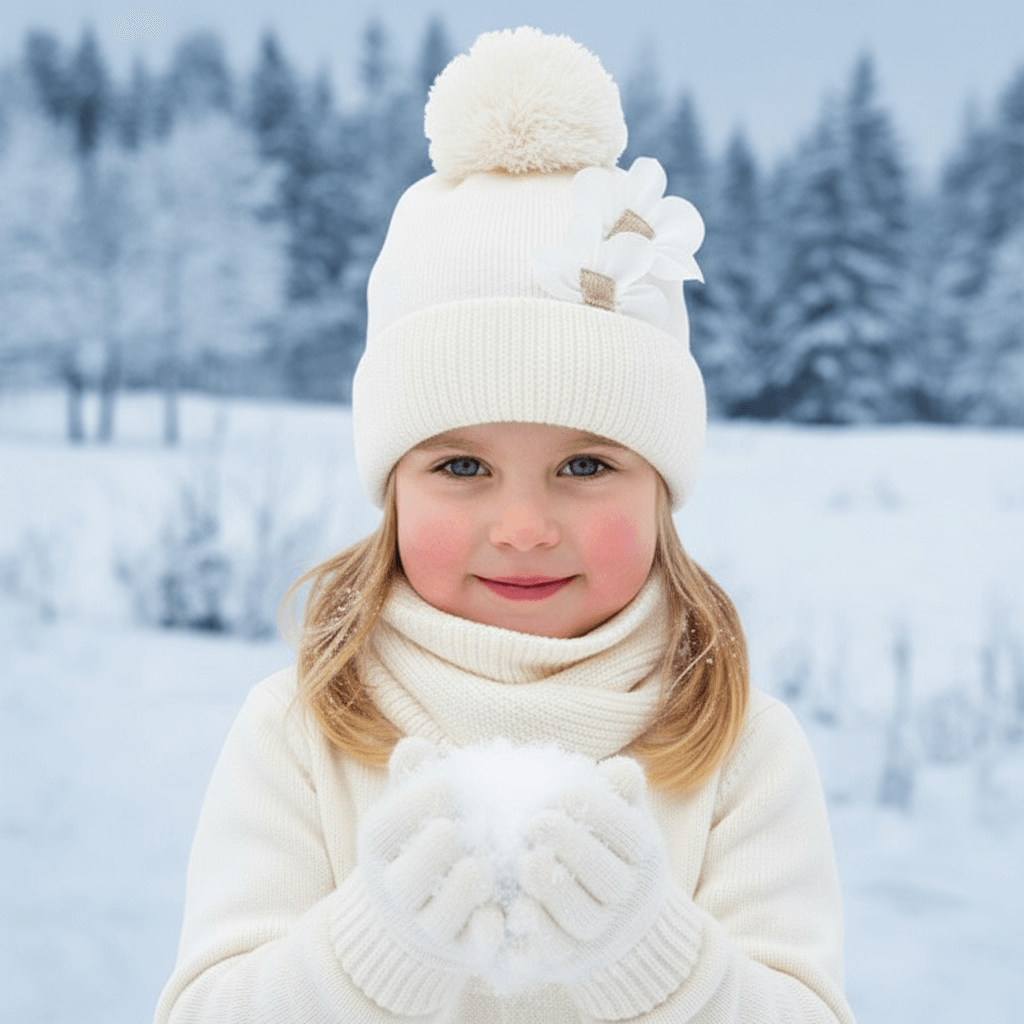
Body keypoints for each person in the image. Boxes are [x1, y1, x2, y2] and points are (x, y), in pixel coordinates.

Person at [154, 26, 856, 1024]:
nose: (522, 525)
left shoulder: (739, 751)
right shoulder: (302, 734)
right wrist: (372, 948)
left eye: (583, 464)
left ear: (660, 483)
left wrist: (654, 957)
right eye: (461, 466)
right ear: (392, 484)